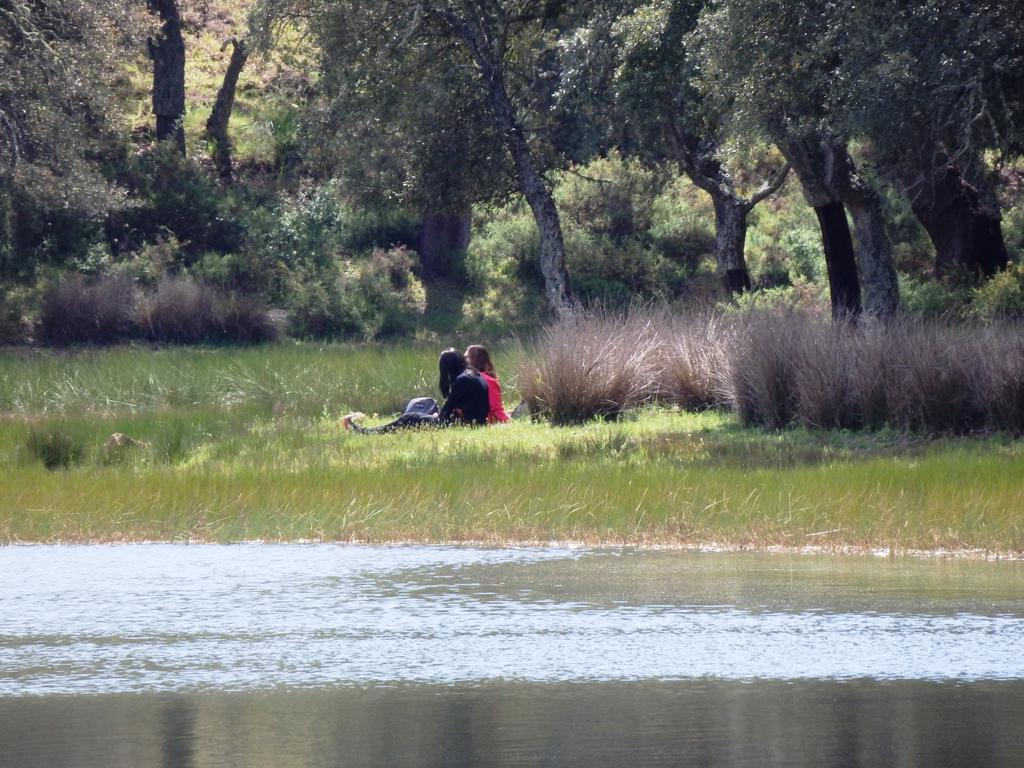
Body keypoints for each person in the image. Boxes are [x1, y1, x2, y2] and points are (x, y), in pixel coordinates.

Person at [342, 348, 489, 433]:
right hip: (477, 422)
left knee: (410, 418)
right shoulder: (475, 374)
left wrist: (433, 416)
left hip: (466, 424)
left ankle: (368, 432)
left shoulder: (461, 381)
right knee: (422, 414)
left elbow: (444, 415)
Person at [465, 344, 509, 423]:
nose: (464, 360)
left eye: (466, 357)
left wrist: (506, 421)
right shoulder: (485, 380)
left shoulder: (485, 380)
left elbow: (495, 407)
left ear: (475, 359)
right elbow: (496, 408)